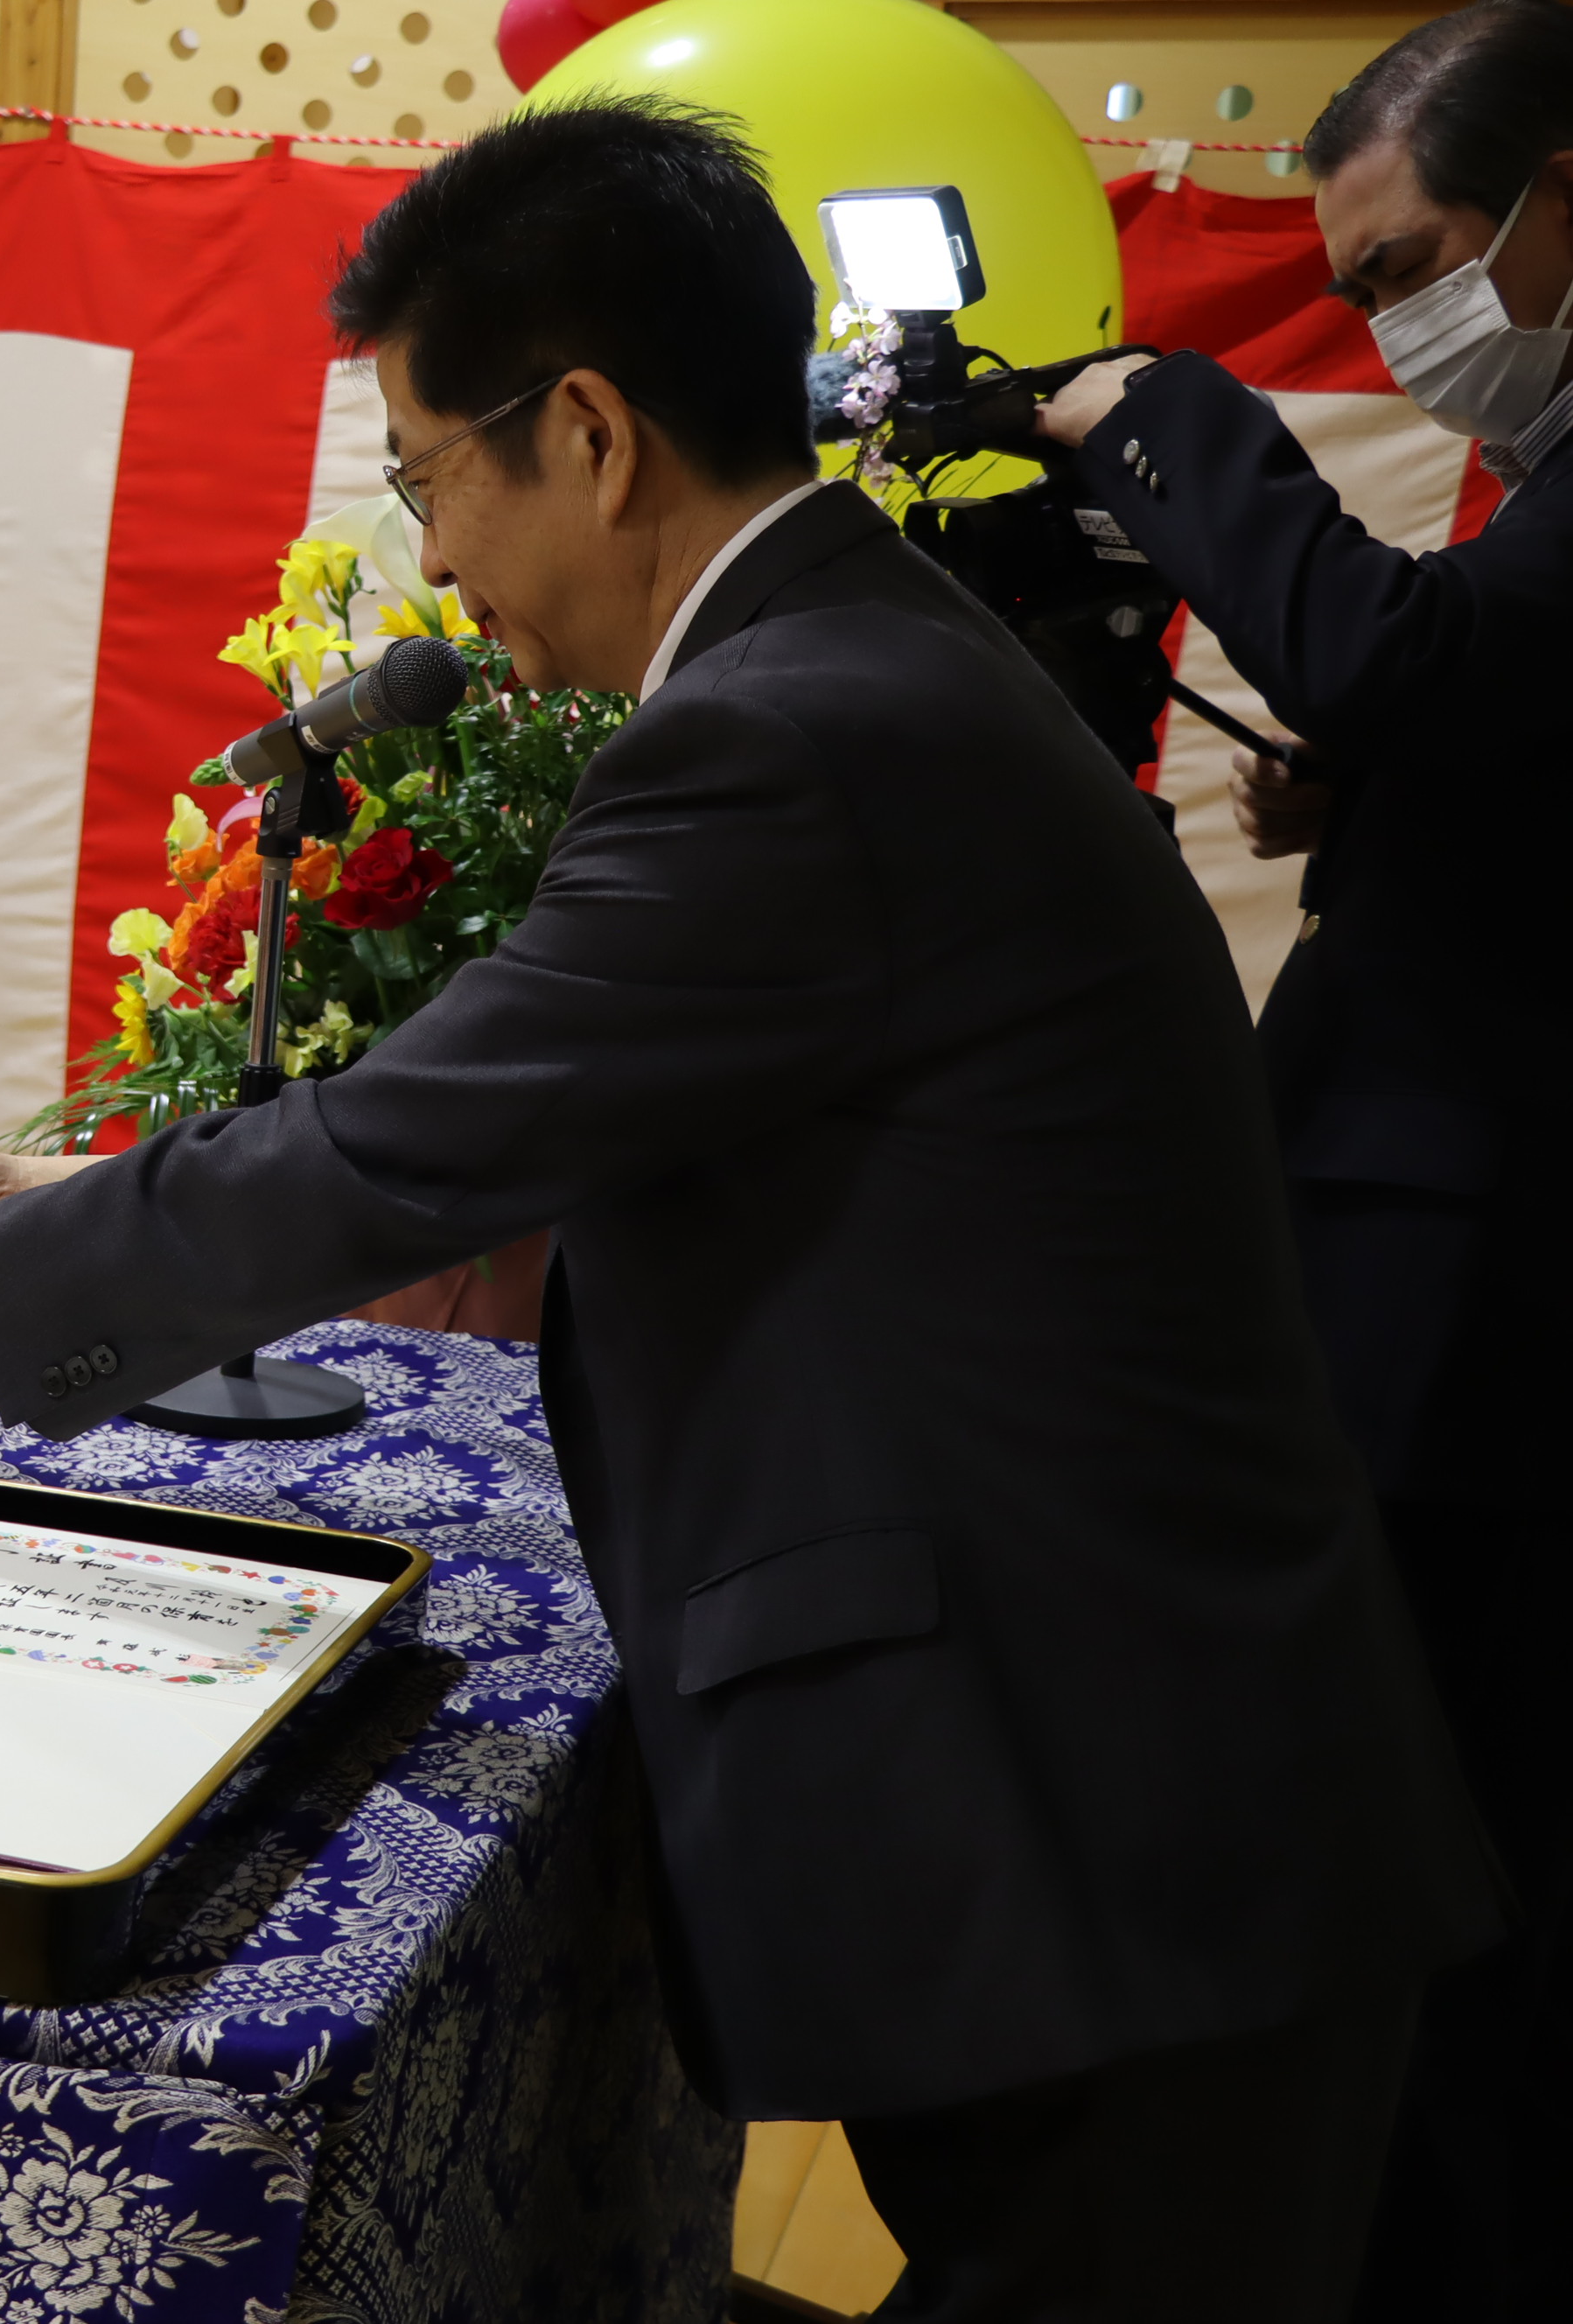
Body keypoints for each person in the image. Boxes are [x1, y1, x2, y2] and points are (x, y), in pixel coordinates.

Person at [0, 100, 1503, 2321]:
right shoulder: (853, 657)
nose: (430, 559)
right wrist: (67, 1186)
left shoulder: (783, 732)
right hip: (1155, 1808)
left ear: (589, 433)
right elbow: (592, 1119)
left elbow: (399, 1152)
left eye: (428, 475)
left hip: (1117, 1844)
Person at [1033, 10, 1572, 2312]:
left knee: (1459, 1879)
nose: (1402, 333)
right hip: (1436, 1278)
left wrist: (1164, 411)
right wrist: (1404, 818)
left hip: (1487, 1327)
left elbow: (1403, 654)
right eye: (1351, 297)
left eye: (1417, 265)